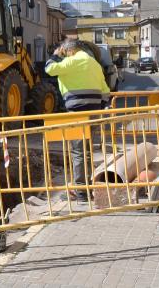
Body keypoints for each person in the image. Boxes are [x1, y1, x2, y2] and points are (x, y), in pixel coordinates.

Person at [45, 39, 111, 202]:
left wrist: (54, 56)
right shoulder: (94, 64)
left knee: (78, 152)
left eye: (64, 52)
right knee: (86, 151)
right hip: (94, 111)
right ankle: (85, 187)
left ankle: (81, 192)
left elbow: (49, 69)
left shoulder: (72, 60)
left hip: (76, 112)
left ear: (69, 50)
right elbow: (105, 91)